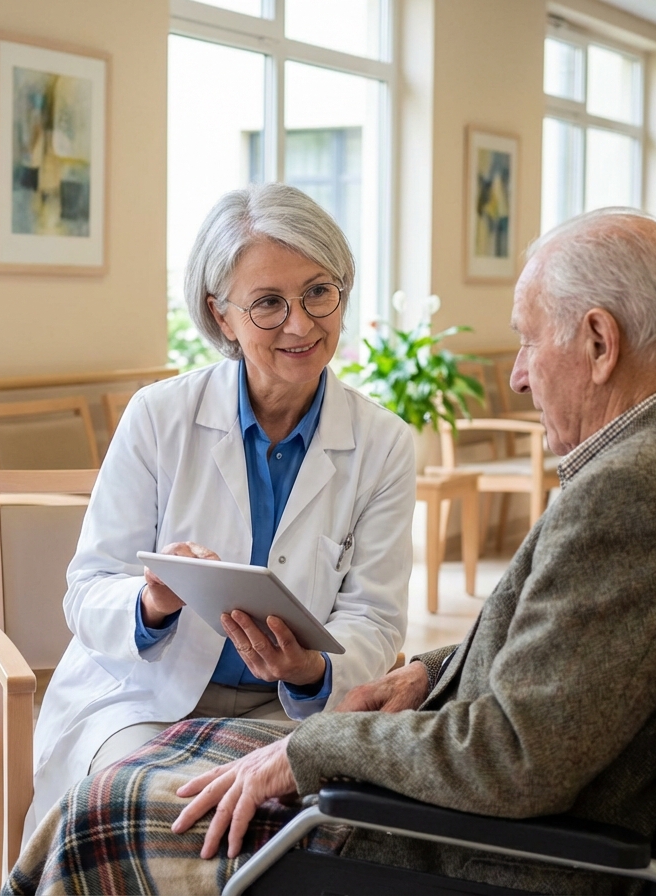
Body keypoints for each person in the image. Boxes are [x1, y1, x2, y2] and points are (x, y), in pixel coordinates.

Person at [7, 208, 656, 895]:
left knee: (113, 811)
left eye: (526, 340)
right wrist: (430, 672)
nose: (514, 375)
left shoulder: (631, 496)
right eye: (267, 303)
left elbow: (510, 756)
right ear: (221, 314)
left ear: (598, 341)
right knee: (116, 782)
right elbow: (577, 659)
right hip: (161, 696)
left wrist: (311, 735)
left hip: (495, 848)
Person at [24, 183, 416, 842]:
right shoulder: (158, 417)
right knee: (160, 814)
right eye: (268, 303)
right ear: (221, 315)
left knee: (309, 835)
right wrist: (151, 603)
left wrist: (311, 671)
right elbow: (88, 591)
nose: (302, 324)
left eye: (319, 292)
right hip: (143, 702)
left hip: (289, 713)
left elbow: (375, 617)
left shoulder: (385, 444)